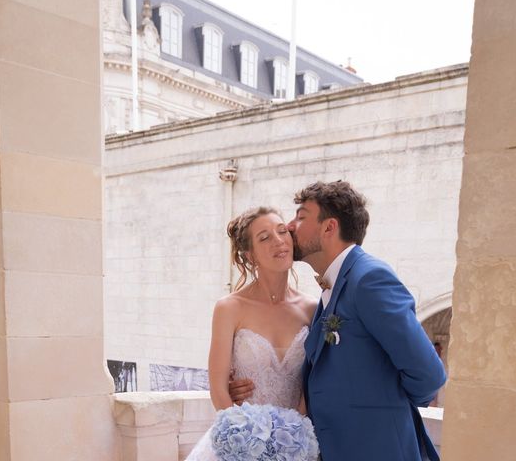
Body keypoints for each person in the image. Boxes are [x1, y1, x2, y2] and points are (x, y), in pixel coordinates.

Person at [230, 181, 447, 461]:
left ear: (329, 227)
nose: (290, 226)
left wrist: (384, 407)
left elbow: (429, 374)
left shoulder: (369, 279)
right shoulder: (329, 290)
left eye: (301, 216)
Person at [186, 206, 317, 460]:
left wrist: (295, 439)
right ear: (250, 255)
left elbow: (314, 382)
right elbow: (218, 388)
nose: (279, 241)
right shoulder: (229, 308)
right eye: (265, 237)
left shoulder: (311, 309)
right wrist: (246, 447)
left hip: (294, 445)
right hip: (241, 446)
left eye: (282, 231)